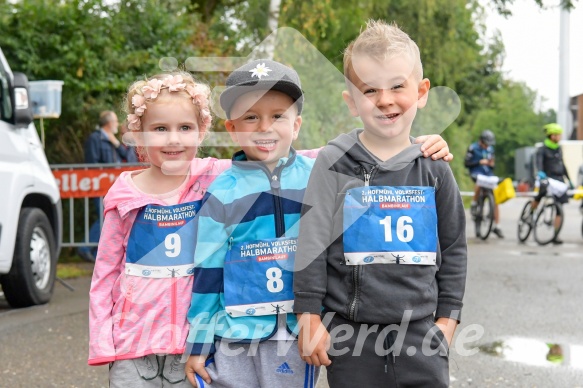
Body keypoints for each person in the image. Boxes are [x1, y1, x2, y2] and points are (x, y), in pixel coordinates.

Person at [184, 59, 454, 388]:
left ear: (297, 125)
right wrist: (198, 344)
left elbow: (377, 154)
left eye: (277, 117)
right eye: (250, 117)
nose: (264, 127)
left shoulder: (323, 171)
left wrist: (421, 146)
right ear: (231, 128)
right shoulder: (221, 192)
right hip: (236, 334)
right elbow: (208, 272)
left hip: (302, 332)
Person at [293, 20, 467, 388]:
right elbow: (312, 239)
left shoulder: (435, 167)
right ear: (352, 102)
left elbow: (453, 247)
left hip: (421, 333)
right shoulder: (333, 161)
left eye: (397, 86)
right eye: (369, 90)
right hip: (350, 335)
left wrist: (448, 319)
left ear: (421, 92)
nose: (385, 99)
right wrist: (309, 315)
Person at [88, 72, 222, 387]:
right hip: (131, 346)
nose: (173, 139)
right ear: (139, 134)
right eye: (160, 128)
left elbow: (268, 161)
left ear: (201, 132)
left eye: (185, 128)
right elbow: (105, 273)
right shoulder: (124, 195)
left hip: (192, 345)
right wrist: (102, 341)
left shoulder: (214, 176)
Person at [78, 111, 132, 262]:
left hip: (112, 186)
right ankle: (84, 247)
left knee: (109, 218)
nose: (117, 124)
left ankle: (96, 255)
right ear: (109, 123)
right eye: (115, 121)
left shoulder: (111, 139)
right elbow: (92, 164)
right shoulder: (95, 139)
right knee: (104, 216)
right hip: (99, 185)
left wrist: (115, 142)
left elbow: (125, 156)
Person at [532, 123, 573, 244]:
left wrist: (568, 179)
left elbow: (562, 165)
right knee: (539, 196)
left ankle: (556, 234)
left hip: (559, 179)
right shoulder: (542, 149)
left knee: (560, 208)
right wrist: (540, 172)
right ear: (551, 135)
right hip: (547, 178)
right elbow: (538, 162)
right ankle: (530, 213)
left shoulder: (558, 148)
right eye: (557, 134)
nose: (559, 137)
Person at [464, 129, 504, 238]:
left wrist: (491, 164)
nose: (487, 146)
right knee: (479, 182)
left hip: (488, 174)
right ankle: (474, 203)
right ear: (481, 141)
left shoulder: (491, 149)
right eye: (486, 144)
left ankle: (497, 226)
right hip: (476, 172)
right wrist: (479, 162)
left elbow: (493, 165)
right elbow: (466, 163)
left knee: (495, 199)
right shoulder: (473, 148)